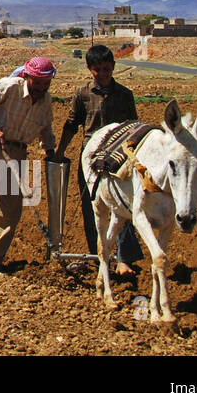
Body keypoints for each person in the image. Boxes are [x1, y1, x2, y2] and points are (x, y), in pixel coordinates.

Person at [54, 43, 143, 276]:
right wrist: (61, 151)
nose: (103, 74)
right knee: (92, 210)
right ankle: (99, 258)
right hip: (90, 159)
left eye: (106, 69)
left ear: (113, 67)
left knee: (123, 206)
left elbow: (133, 127)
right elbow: (72, 124)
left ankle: (124, 259)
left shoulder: (125, 95)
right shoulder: (82, 94)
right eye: (97, 69)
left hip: (118, 159)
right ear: (89, 69)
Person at [0, 56, 57, 271]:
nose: (41, 88)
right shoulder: (9, 87)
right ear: (27, 77)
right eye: (37, 83)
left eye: (46, 84)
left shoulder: (45, 100)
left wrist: (50, 150)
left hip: (17, 154)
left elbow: (46, 127)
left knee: (9, 211)